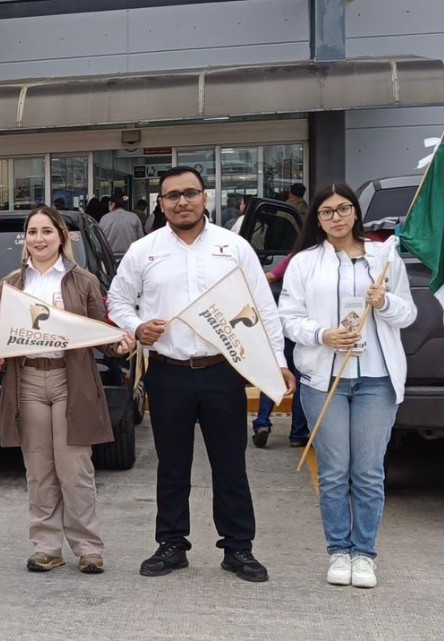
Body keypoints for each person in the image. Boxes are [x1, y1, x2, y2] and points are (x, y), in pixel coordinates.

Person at [107, 166, 294, 583]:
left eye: (190, 193)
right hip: (167, 373)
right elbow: (118, 300)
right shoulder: (144, 250)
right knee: (172, 465)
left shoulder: (234, 247)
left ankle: (238, 548)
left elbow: (262, 309)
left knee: (230, 463)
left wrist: (276, 361)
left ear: (205, 197)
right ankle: (172, 544)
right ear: (161, 203)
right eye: (172, 196)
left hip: (222, 370)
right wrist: (137, 327)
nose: (182, 202)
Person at [278, 182, 416, 589]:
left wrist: (386, 302)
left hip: (376, 380)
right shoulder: (304, 263)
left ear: (355, 212)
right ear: (316, 219)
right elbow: (289, 317)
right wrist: (323, 335)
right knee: (335, 472)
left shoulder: (385, 256)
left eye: (342, 209)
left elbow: (407, 314)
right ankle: (339, 549)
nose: (335, 218)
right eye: (326, 212)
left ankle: (365, 553)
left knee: (369, 471)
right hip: (325, 380)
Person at [0, 206, 134, 574]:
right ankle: (46, 546)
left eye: (47, 231)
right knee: (38, 469)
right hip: (29, 380)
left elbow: (99, 330)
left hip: (72, 381)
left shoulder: (83, 281)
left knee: (75, 468)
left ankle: (88, 548)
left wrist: (119, 345)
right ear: (26, 239)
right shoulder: (12, 283)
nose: (39, 239)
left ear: (61, 236)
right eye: (33, 232)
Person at [251, 252, 309, 448]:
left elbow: (271, 276)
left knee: (275, 374)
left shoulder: (296, 257)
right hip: (307, 329)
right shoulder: (320, 260)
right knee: (302, 380)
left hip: (282, 325)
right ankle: (298, 433)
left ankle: (262, 423)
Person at [99, 189, 145, 256]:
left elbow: (100, 241)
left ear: (113, 204)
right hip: (130, 256)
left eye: (109, 204)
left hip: (110, 258)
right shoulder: (134, 217)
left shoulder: (105, 218)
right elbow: (141, 240)